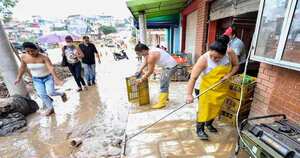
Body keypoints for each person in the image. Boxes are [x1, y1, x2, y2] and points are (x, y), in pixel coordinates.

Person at [186, 35, 239, 140]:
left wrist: (228, 75)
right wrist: (189, 94)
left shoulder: (230, 53)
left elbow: (236, 65)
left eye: (217, 57)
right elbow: (193, 78)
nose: (214, 59)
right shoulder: (204, 59)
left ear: (224, 54)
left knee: (216, 107)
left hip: (221, 87)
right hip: (204, 88)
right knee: (204, 109)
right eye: (212, 56)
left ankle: (209, 124)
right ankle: (200, 129)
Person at [15, 42, 67, 116]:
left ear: (37, 49)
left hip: (48, 77)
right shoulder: (24, 57)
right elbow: (22, 68)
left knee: (50, 92)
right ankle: (50, 108)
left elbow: (50, 67)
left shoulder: (44, 57)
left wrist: (56, 79)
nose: (30, 53)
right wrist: (18, 78)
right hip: (36, 79)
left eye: (32, 51)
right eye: (28, 51)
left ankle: (62, 93)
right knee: (42, 94)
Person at [135, 43, 177, 109]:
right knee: (164, 81)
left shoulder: (151, 55)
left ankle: (162, 103)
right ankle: (165, 98)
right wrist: (139, 70)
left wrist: (142, 79)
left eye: (138, 53)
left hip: (171, 67)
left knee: (163, 83)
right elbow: (145, 62)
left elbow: (150, 71)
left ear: (143, 51)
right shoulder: (148, 51)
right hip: (167, 66)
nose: (138, 55)